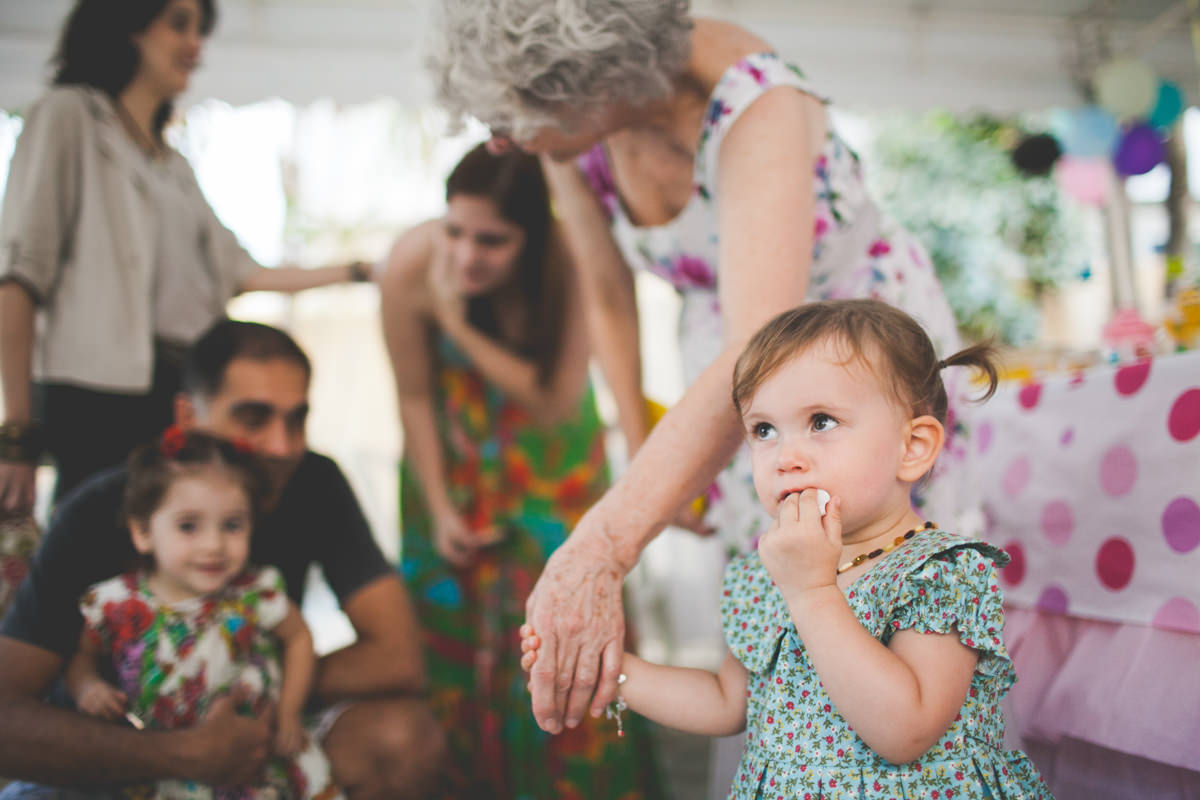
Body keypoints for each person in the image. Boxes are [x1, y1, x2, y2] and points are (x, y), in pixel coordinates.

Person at [429, 0, 975, 734]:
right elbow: (608, 294)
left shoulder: (757, 103)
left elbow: (758, 347)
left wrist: (605, 542)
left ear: (590, 80)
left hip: (859, 365)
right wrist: (639, 443)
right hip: (739, 379)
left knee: (878, 606)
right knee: (780, 625)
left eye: (515, 114)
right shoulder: (569, 136)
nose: (501, 141)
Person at [522, 299, 1054, 798]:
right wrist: (611, 672)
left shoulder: (939, 571)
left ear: (911, 448)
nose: (786, 456)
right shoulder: (761, 574)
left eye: (821, 422)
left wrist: (812, 590)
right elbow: (727, 703)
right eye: (764, 429)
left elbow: (907, 729)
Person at [0, 320, 443, 799]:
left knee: (404, 738)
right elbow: (8, 716)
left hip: (254, 738)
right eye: (254, 418)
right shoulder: (97, 511)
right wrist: (183, 749)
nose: (283, 446)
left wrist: (252, 694)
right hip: (115, 754)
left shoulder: (313, 481)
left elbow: (397, 659)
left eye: (296, 419)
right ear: (188, 416)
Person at [0, 0, 373, 510]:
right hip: (94, 400)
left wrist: (360, 271)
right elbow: (19, 277)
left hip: (179, 388)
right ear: (126, 27)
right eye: (179, 25)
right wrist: (17, 431)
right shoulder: (69, 115)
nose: (196, 45)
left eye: (201, 30)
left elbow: (244, 271)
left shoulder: (171, 163)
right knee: (100, 551)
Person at [379, 143, 662, 798]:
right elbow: (414, 396)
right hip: (446, 474)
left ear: (532, 239)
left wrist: (454, 320)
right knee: (449, 656)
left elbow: (552, 400)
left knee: (567, 647)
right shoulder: (409, 264)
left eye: (492, 241)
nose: (466, 254)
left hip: (552, 477)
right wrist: (441, 508)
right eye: (455, 230)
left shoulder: (570, 262)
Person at [66, 430, 340, 799]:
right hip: (167, 766)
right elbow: (81, 654)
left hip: (259, 761)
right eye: (188, 526)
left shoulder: (255, 591)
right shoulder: (116, 603)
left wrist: (290, 712)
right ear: (144, 531)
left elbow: (298, 637)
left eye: (231, 525)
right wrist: (86, 686)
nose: (213, 546)